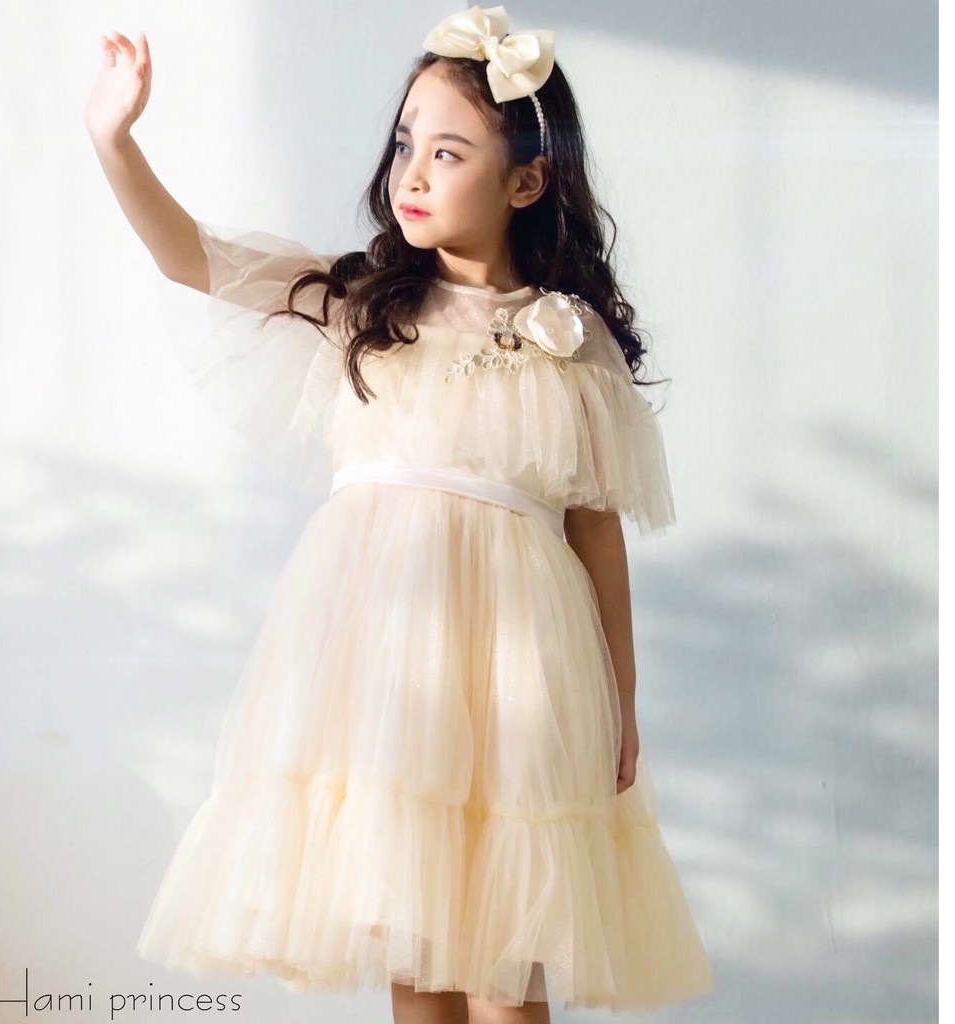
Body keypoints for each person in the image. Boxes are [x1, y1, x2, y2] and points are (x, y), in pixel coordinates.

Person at [85, 6, 714, 1022]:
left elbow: (595, 530)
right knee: (413, 945)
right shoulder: (363, 304)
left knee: (506, 958)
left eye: (448, 153)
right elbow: (190, 256)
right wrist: (115, 140)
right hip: (380, 665)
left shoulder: (568, 338)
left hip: (520, 665)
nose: (411, 173)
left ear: (525, 182)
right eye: (405, 145)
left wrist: (622, 702)